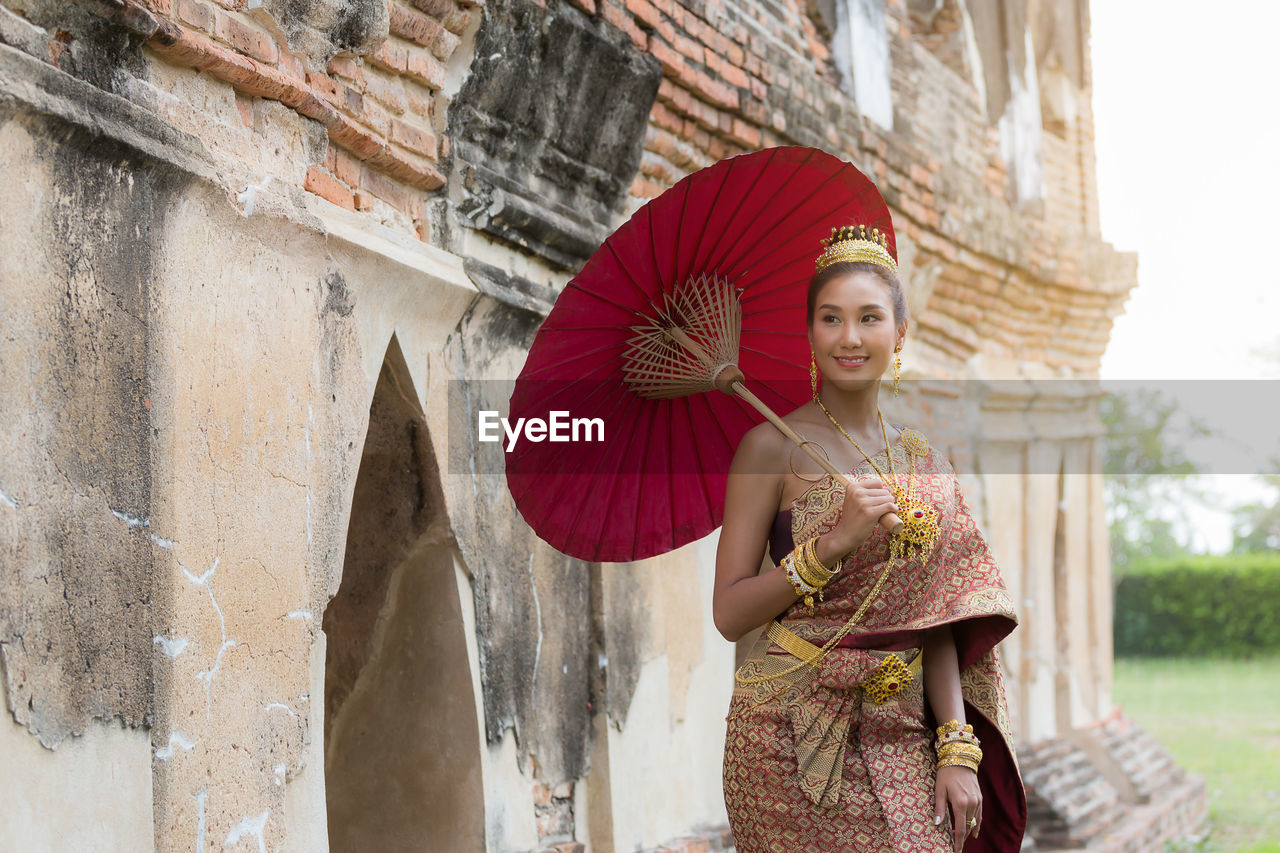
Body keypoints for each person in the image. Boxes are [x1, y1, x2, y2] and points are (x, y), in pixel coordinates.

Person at [713, 223, 1027, 852]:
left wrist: (956, 747)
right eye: (830, 319)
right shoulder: (769, 447)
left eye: (868, 317)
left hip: (906, 722)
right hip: (787, 727)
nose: (849, 338)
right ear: (809, 334)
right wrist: (831, 545)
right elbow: (729, 612)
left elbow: (939, 613)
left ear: (899, 332)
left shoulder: (925, 464)